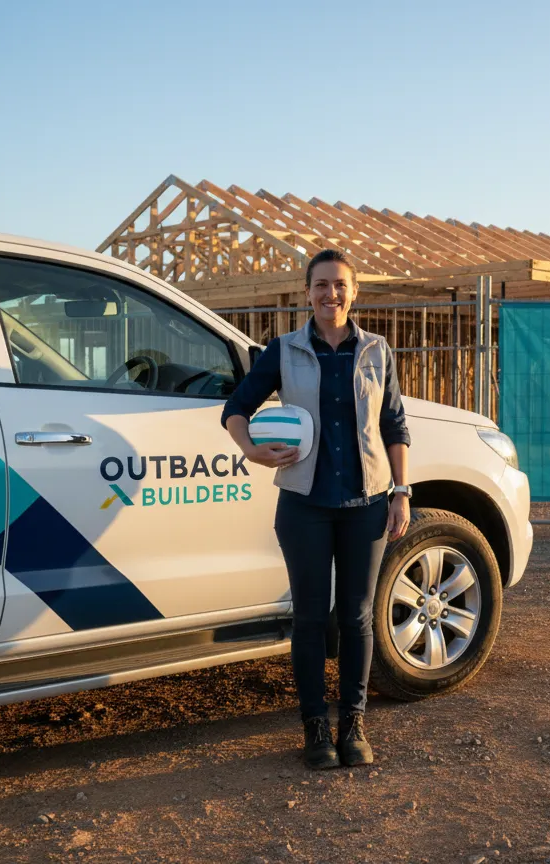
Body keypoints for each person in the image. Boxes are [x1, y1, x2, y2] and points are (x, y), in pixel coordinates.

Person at [222, 249, 412, 770]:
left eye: (340, 285)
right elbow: (235, 409)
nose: (332, 294)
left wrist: (401, 491)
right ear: (308, 293)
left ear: (355, 292)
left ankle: (352, 722)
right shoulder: (283, 350)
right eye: (322, 285)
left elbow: (394, 425)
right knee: (309, 617)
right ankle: (314, 727)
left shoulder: (377, 350)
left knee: (356, 618)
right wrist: (251, 449)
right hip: (303, 506)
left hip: (366, 505)